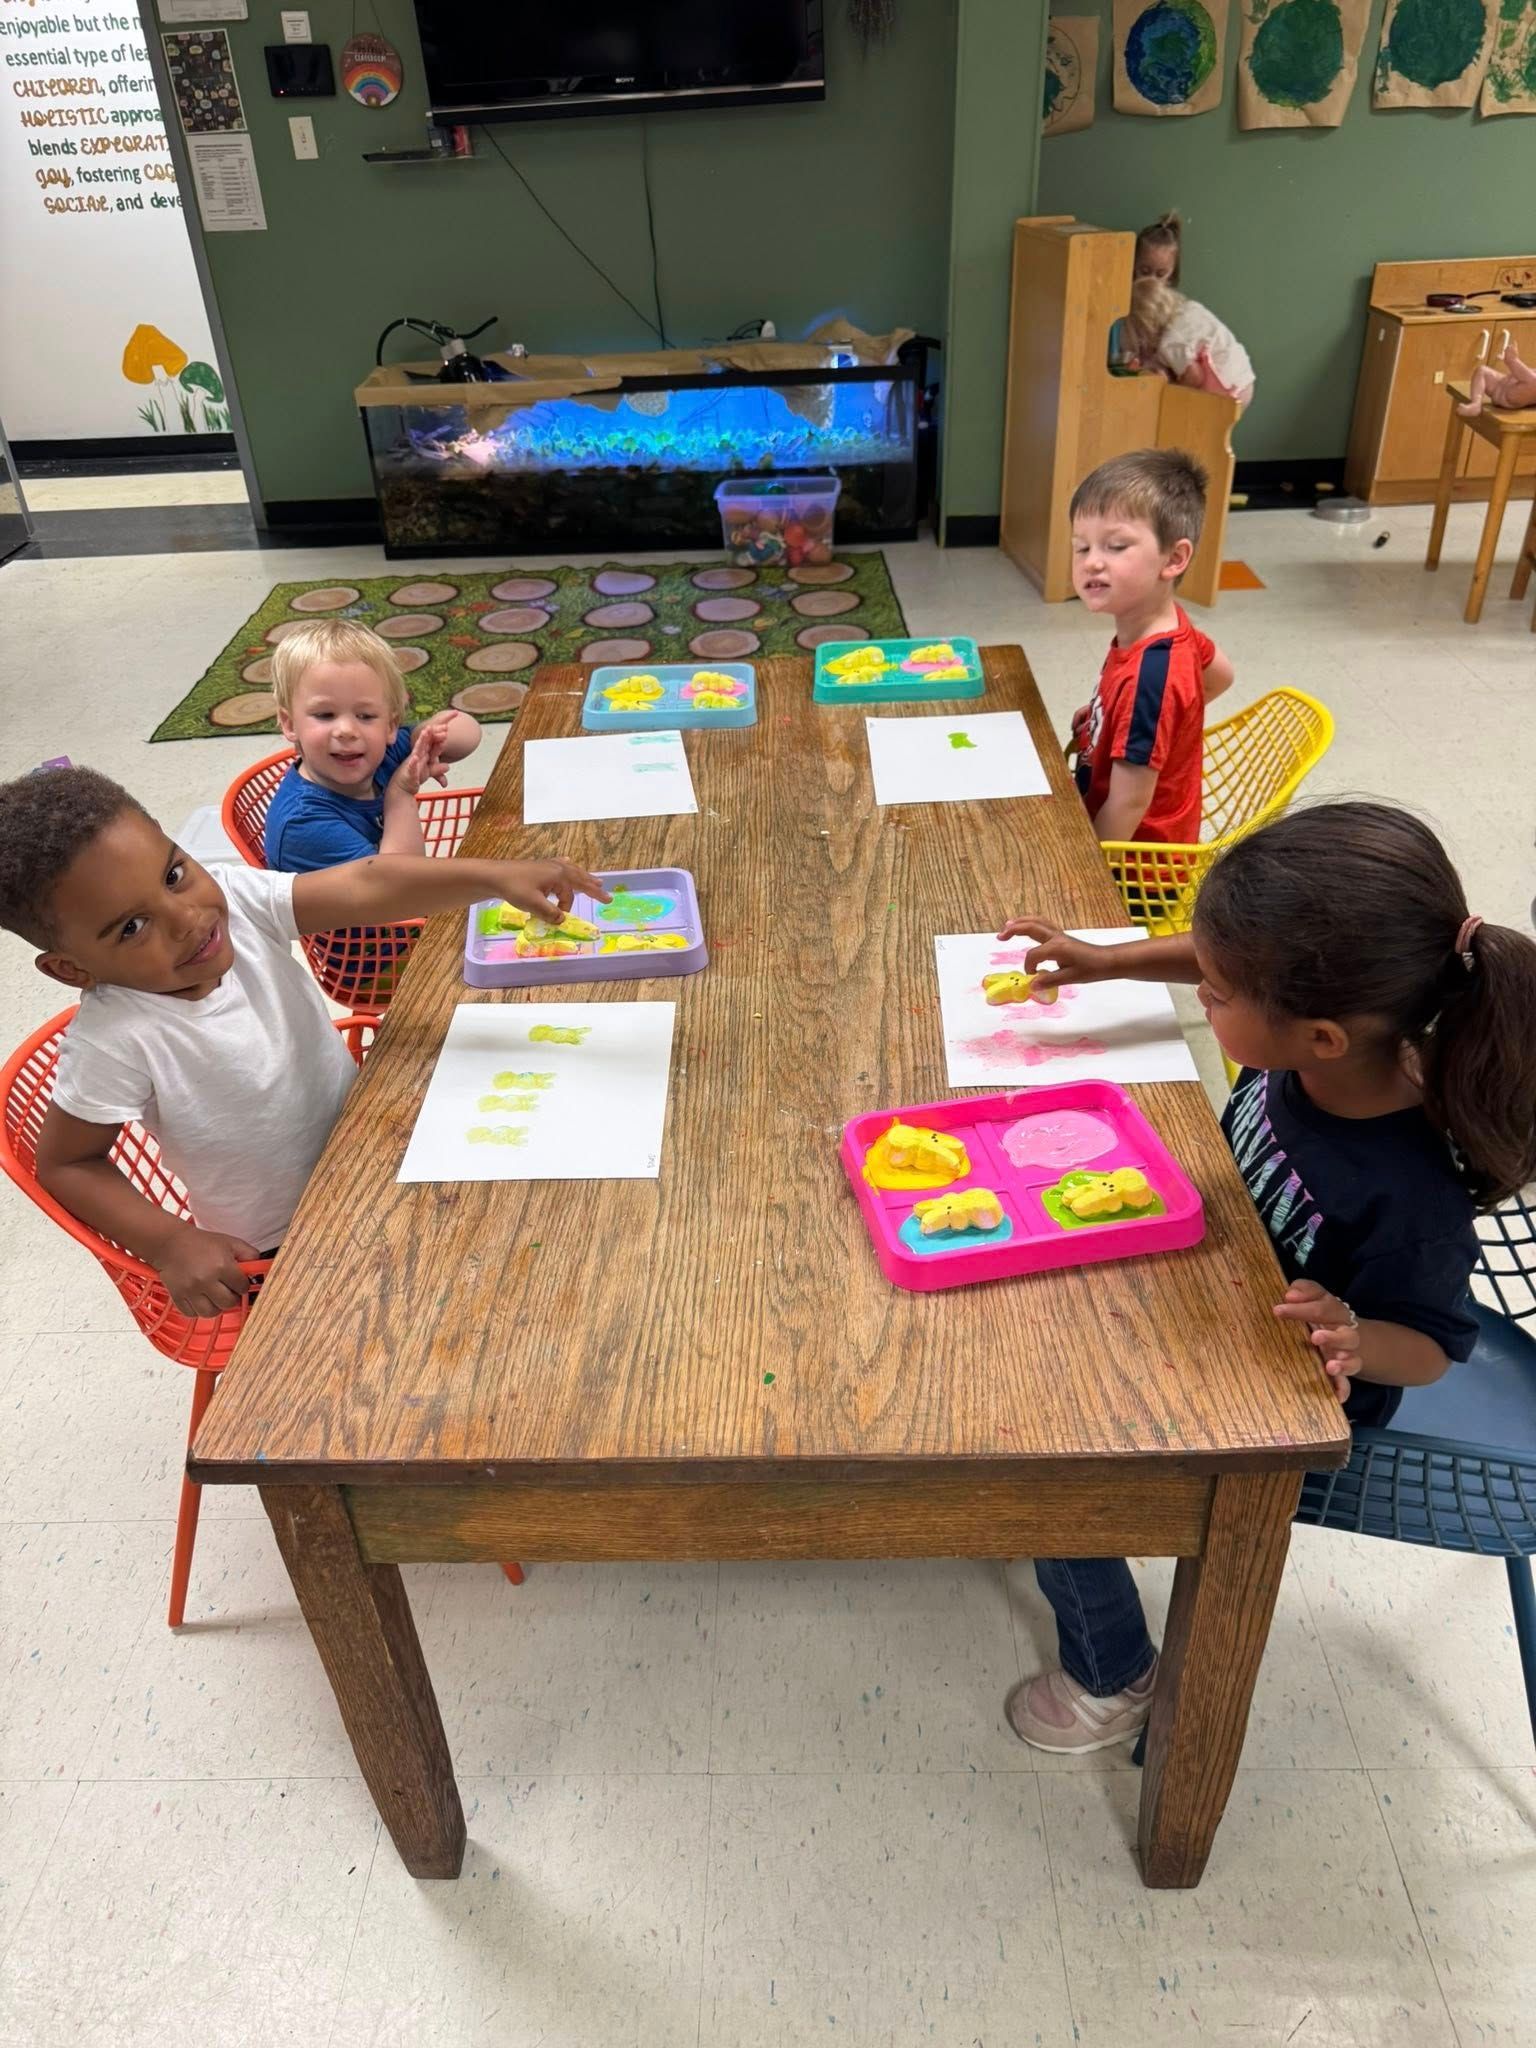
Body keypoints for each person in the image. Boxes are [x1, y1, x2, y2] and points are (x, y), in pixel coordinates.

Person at [996, 801, 1536, 1754]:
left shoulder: (1411, 1197)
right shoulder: (1318, 1049)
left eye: (1210, 992)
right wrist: (1107, 959)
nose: (1200, 994)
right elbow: (1224, 960)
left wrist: (1356, 1334)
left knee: (1052, 1453)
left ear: (1320, 1035)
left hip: (1299, 1387)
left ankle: (1114, 1671)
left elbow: (1436, 1350)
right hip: (1226, 1282)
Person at [0, 765, 604, 1319]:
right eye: (132, 927)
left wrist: (494, 877)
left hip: (374, 1153)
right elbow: (67, 1163)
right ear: (72, 970)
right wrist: (171, 1241)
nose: (188, 918)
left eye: (174, 874)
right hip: (285, 1249)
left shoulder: (238, 901)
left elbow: (371, 885)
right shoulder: (114, 1039)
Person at [1067, 449, 1234, 849]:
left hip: (1139, 871)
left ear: (1174, 558)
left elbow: (1128, 804)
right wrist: (1117, 723)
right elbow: (1222, 674)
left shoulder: (1151, 680)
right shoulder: (1169, 626)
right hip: (1125, 828)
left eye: (1116, 546)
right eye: (1082, 547)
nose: (1091, 563)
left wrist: (1083, 881)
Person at [264, 618, 483, 872]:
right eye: (325, 715)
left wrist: (427, 736)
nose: (347, 731)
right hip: (357, 909)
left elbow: (469, 733)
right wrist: (400, 794)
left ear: (390, 726)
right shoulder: (304, 823)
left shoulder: (383, 753)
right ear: (290, 724)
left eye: (365, 716)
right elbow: (403, 890)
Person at [1123, 275, 1255, 413]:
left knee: (1187, 415)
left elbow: (1195, 376)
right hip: (1243, 377)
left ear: (1146, 329)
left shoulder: (1170, 341)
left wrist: (1173, 387)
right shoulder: (1190, 308)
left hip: (1226, 391)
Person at [1458, 336, 1536, 419]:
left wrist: (1514, 361)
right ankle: (1476, 403)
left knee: (1533, 382)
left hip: (1513, 397)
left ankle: (1512, 361)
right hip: (1501, 386)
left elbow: (1530, 379)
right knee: (1482, 370)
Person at [1134, 211, 1182, 286]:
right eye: (1144, 272)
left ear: (1171, 276)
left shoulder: (1171, 297)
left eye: (1160, 275)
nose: (1152, 282)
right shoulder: (1120, 293)